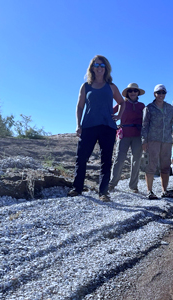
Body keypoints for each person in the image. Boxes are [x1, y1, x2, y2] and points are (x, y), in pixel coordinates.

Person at [68, 55, 125, 202]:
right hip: (88, 126)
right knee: (81, 158)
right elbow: (80, 106)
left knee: (106, 160)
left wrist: (118, 116)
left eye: (102, 65)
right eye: (96, 65)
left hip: (108, 127)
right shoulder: (85, 86)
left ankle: (103, 192)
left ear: (106, 68)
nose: (99, 68)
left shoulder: (111, 87)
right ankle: (77, 188)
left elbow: (122, 102)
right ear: (92, 68)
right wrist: (78, 124)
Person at [109, 83, 145, 193]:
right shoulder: (122, 103)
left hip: (138, 135)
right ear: (127, 93)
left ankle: (133, 186)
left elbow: (147, 120)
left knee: (136, 160)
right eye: (131, 91)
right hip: (123, 134)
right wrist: (113, 125)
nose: (133, 92)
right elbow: (109, 112)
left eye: (135, 91)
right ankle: (112, 183)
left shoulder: (142, 106)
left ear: (138, 93)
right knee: (119, 159)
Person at [141, 84, 173, 200]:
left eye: (163, 92)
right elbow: (144, 126)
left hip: (167, 141)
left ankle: (164, 191)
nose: (161, 95)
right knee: (151, 165)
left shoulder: (170, 108)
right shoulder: (149, 108)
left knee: (165, 166)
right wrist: (144, 141)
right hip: (153, 140)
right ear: (154, 94)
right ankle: (149, 191)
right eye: (158, 92)